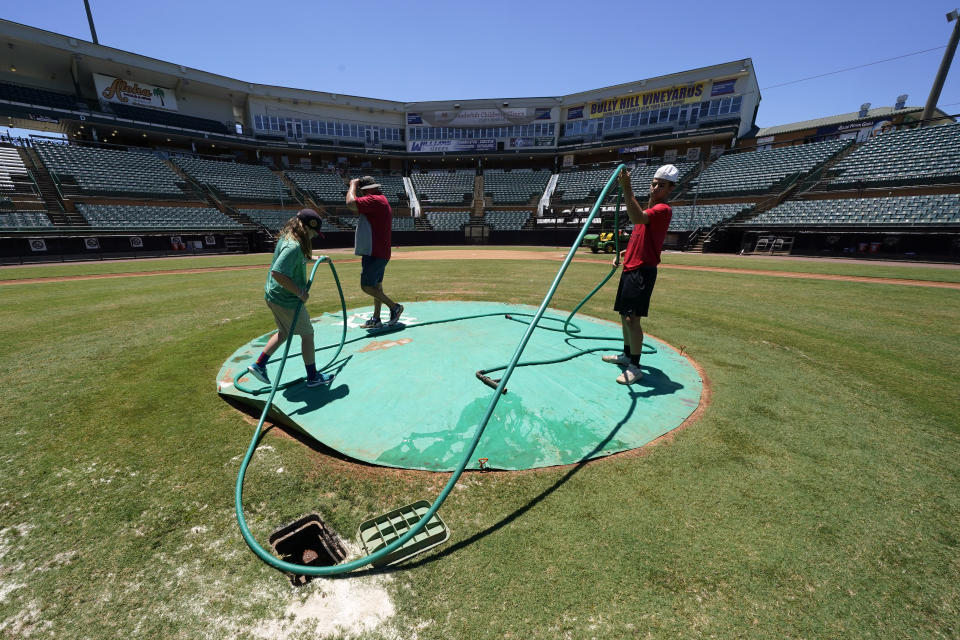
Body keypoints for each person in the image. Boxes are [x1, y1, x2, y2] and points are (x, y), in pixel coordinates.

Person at [603, 164, 678, 385]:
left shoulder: (661, 210)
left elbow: (636, 218)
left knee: (631, 318)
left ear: (670, 189)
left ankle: (635, 367)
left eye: (661, 185)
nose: (655, 188)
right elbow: (641, 238)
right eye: (654, 183)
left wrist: (627, 189)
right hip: (630, 267)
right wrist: (624, 252)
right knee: (623, 316)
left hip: (642, 271)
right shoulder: (648, 212)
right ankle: (627, 355)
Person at [247, 209, 334, 387]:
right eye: (313, 233)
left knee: (284, 332)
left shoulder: (289, 237)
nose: (313, 237)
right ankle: (313, 377)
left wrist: (316, 258)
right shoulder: (293, 246)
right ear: (307, 228)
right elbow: (278, 272)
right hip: (287, 300)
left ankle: (259, 365)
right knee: (308, 334)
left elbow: (297, 259)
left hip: (273, 296)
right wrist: (299, 292)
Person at [346, 175, 403, 329]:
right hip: (377, 251)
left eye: (364, 191)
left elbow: (350, 203)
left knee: (366, 286)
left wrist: (352, 185)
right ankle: (376, 318)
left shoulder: (375, 200)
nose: (364, 194)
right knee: (377, 286)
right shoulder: (379, 200)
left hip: (375, 251)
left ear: (369, 189)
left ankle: (394, 307)